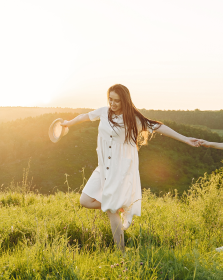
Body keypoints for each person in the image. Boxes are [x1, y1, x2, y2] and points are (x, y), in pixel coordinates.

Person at [60, 84, 200, 252]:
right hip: (104, 167)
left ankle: (121, 254)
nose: (112, 103)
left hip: (120, 170)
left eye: (116, 101)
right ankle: (120, 204)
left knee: (111, 211)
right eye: (110, 99)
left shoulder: (133, 119)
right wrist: (67, 123)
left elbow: (158, 126)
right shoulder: (104, 112)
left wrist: (185, 139)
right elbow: (84, 116)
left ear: (125, 101)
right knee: (85, 200)